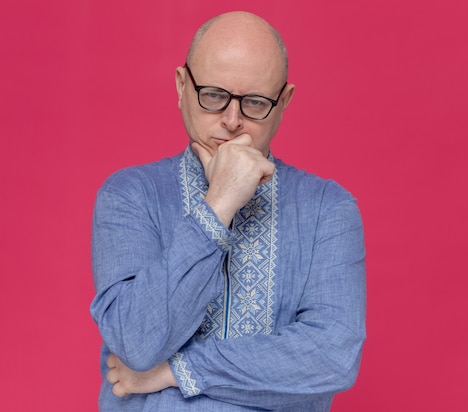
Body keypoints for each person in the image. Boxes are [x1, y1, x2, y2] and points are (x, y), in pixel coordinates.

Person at [90, 11, 366, 411]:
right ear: (183, 86)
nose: (232, 121)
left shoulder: (328, 208)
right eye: (214, 96)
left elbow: (330, 357)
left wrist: (172, 371)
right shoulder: (131, 195)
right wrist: (218, 204)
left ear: (283, 102)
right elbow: (135, 342)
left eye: (255, 102)